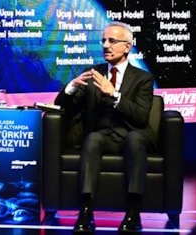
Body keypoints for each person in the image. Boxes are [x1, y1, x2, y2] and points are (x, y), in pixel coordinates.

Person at [54, 21, 155, 233]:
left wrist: (114, 94)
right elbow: (61, 105)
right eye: (104, 41)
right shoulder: (93, 74)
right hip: (101, 135)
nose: (106, 45)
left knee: (135, 139)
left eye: (112, 41)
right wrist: (72, 86)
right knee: (92, 139)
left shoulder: (143, 78)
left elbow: (141, 117)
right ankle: (85, 211)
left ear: (127, 46)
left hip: (130, 134)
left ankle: (133, 212)